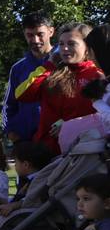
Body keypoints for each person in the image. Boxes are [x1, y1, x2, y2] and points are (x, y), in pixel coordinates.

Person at [15, 22, 104, 155]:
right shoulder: (50, 71)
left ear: (87, 47)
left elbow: (104, 116)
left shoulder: (98, 74)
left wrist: (71, 126)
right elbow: (22, 94)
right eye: (61, 44)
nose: (65, 49)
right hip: (46, 151)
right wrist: (49, 65)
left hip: (82, 152)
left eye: (71, 43)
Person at [2, 14, 56, 144]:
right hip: (26, 141)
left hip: (58, 137)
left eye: (40, 34)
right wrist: (10, 131)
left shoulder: (65, 63)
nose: (36, 40)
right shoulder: (18, 68)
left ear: (51, 31)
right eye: (30, 35)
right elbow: (9, 104)